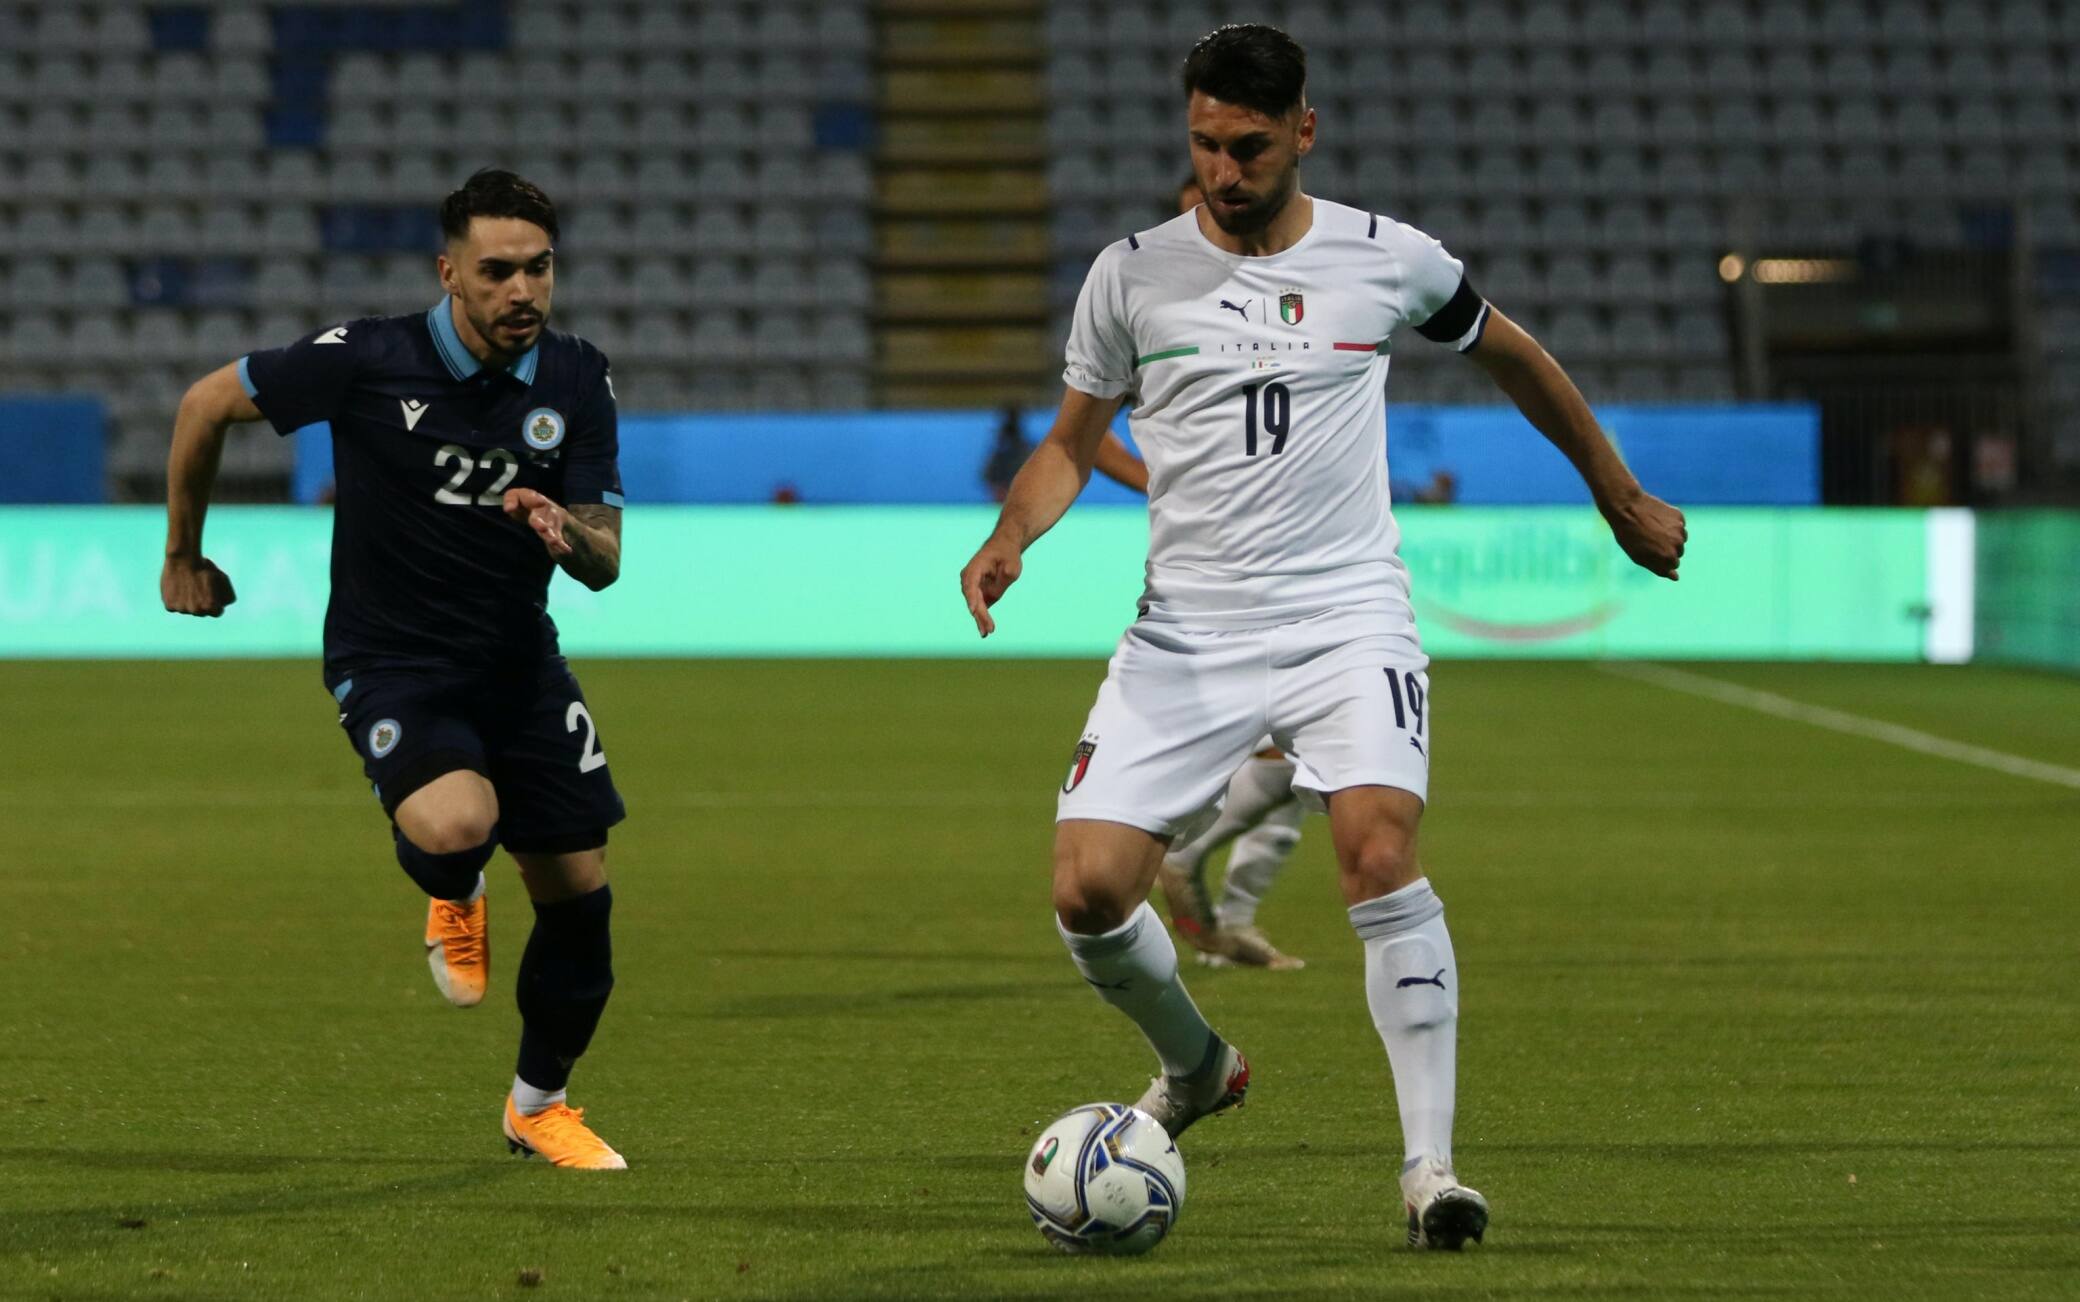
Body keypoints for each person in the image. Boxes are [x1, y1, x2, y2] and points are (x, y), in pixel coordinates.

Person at [958, 25, 1685, 1250]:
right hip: (1186, 629)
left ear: (1304, 129)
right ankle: (1196, 1070)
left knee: (1376, 850)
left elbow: (1516, 355)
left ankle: (1429, 1174)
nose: (1222, 170)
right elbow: (1074, 438)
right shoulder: (1130, 273)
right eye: (1202, 145)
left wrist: (1615, 493)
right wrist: (1010, 534)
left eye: (1246, 146)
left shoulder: (1386, 258)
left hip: (1347, 613)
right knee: (1087, 892)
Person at [161, 169, 633, 1170]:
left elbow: (605, 561)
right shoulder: (368, 358)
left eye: (538, 268)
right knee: (459, 823)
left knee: (581, 900)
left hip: (519, 665)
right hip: (393, 661)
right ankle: (452, 887)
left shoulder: (577, 378)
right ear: (449, 272)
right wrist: (181, 552)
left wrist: (564, 535)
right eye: (497, 270)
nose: (523, 291)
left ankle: (537, 1106)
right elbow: (205, 404)